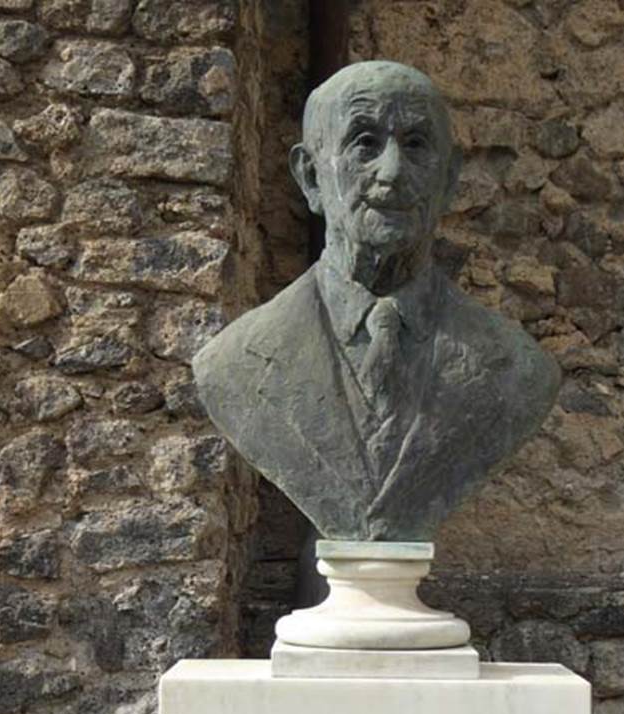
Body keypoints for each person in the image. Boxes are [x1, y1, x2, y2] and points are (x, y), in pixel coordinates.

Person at [193, 61, 560, 541]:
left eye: (415, 145)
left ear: (449, 179)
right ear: (310, 177)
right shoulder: (233, 363)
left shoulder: (518, 369)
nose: (391, 172)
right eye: (364, 143)